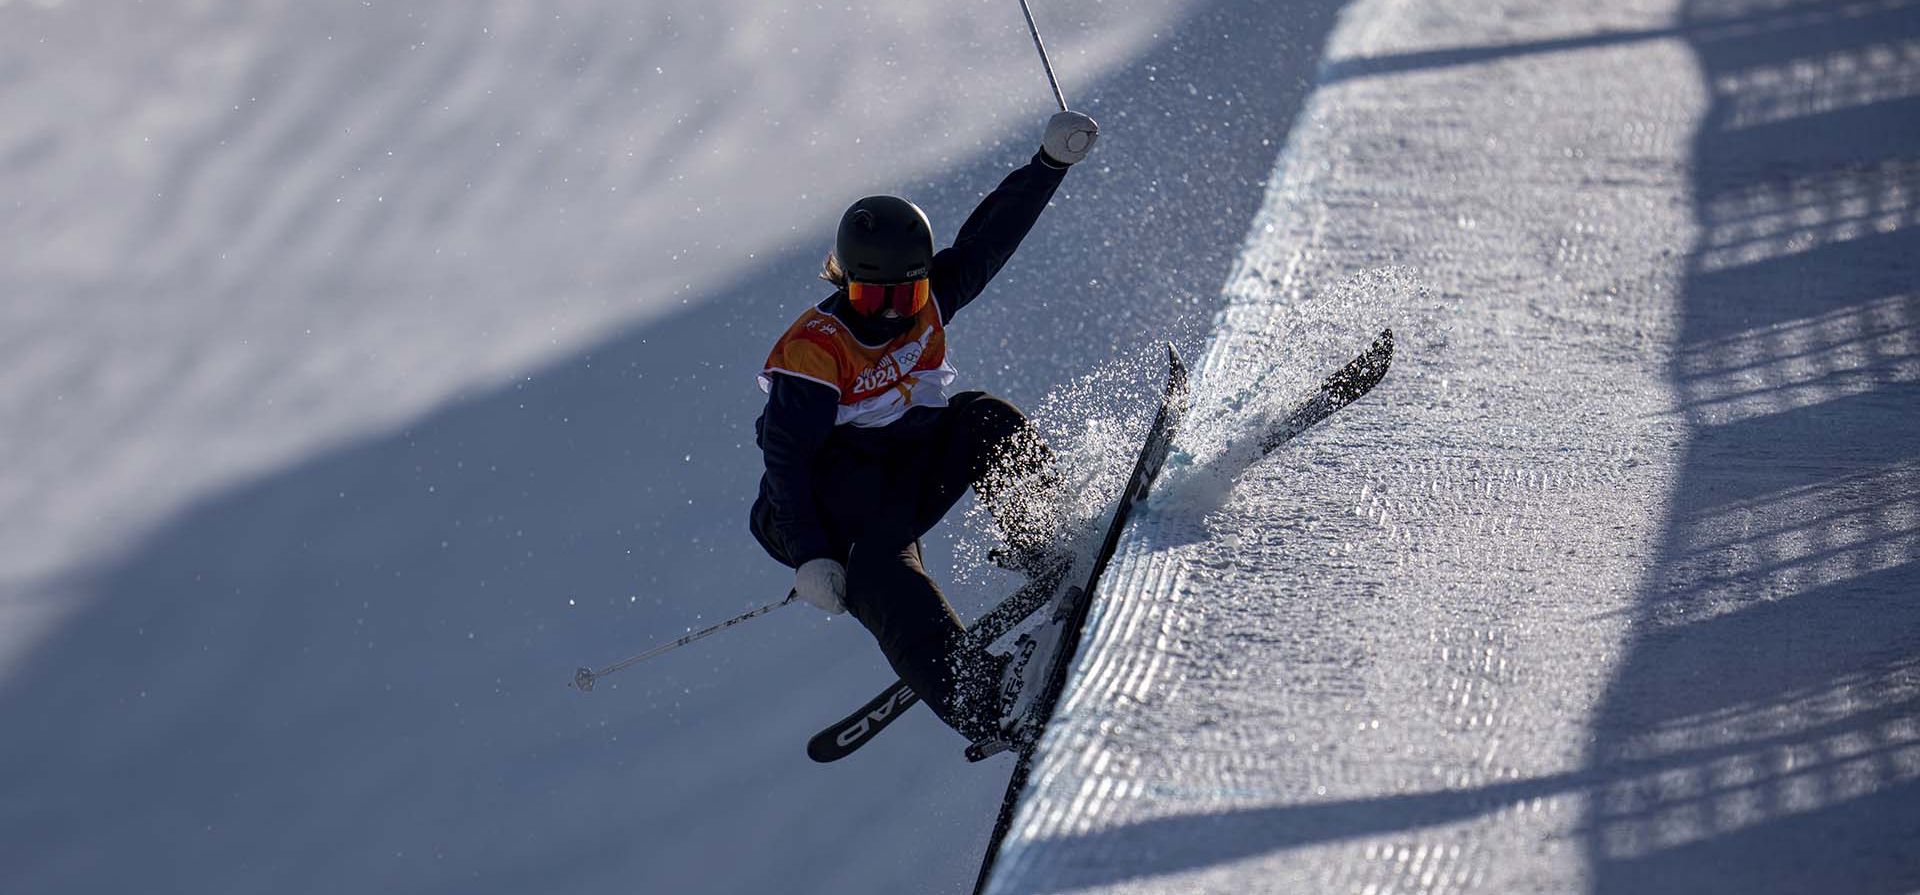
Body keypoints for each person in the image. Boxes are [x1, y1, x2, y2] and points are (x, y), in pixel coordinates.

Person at [749, 110, 1101, 744]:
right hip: (825, 506)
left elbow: (989, 239)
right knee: (884, 573)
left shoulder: (932, 299)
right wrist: (810, 558)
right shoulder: (815, 350)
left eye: (902, 299)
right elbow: (787, 464)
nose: (887, 315)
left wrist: (1050, 165)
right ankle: (986, 702)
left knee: (983, 417)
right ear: (845, 281)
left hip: (902, 467)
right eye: (869, 299)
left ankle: (1047, 538)